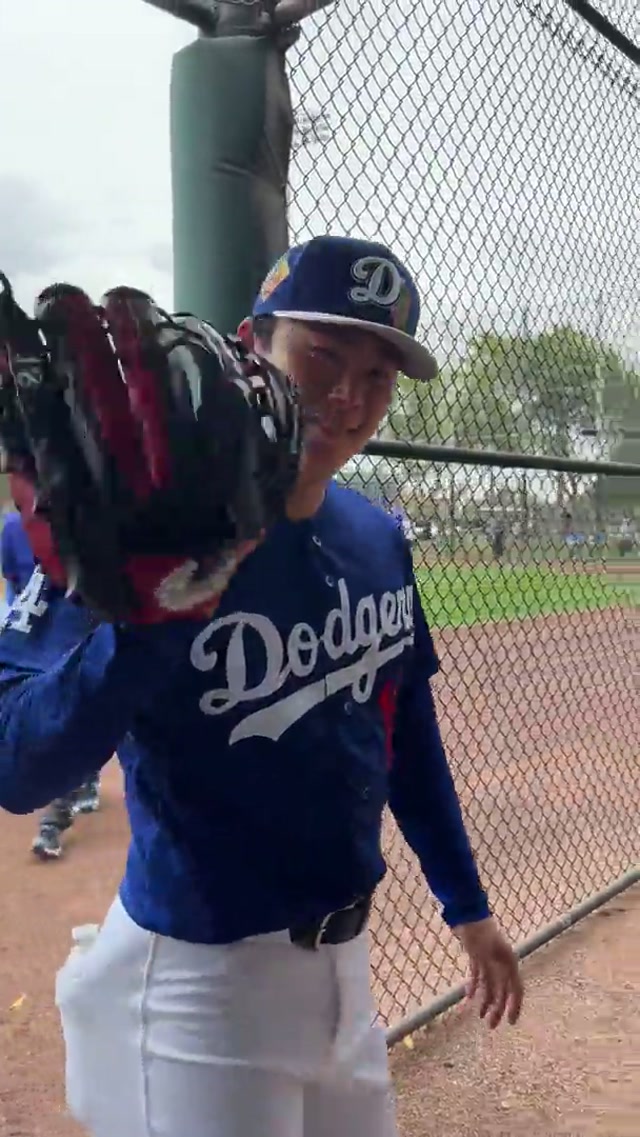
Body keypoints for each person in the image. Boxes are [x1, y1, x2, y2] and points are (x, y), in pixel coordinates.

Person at [0, 236, 523, 1137]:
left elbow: (405, 735)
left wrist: (467, 906)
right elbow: (19, 766)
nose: (349, 396)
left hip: (345, 975)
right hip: (202, 989)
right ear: (252, 345)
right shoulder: (134, 536)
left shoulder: (375, 537)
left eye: (377, 375)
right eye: (321, 355)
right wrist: (149, 621)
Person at [1, 476, 101, 860]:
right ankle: (57, 815)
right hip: (47, 617)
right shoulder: (16, 529)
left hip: (62, 611)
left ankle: (68, 801)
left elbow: (13, 578)